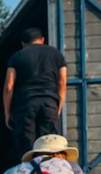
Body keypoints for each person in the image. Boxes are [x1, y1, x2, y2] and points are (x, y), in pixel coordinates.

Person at [4, 28, 68, 160]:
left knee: (27, 149)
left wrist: (7, 112)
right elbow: (62, 81)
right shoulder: (57, 55)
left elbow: (9, 86)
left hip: (25, 105)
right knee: (49, 146)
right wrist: (59, 106)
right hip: (49, 103)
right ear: (42, 39)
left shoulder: (17, 56)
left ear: (23, 43)